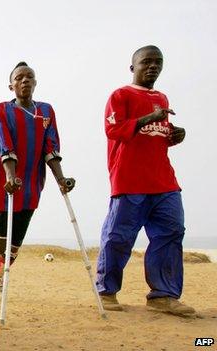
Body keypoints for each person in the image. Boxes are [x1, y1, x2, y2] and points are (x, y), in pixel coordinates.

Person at [95, 45, 193, 317]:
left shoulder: (161, 97)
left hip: (164, 181)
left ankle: (164, 295)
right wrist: (151, 117)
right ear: (133, 67)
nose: (152, 67)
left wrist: (175, 133)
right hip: (129, 180)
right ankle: (106, 290)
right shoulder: (120, 95)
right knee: (118, 237)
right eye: (146, 62)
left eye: (158, 62)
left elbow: (156, 133)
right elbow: (113, 129)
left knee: (171, 232)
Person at [0, 62, 75, 294]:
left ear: (35, 82)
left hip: (31, 185)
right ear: (11, 85)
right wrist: (11, 176)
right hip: (5, 184)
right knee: (1, 244)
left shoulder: (46, 111)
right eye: (19, 78)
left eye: (29, 77)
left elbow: (50, 146)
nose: (24, 80)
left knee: (15, 244)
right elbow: (4, 144)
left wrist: (61, 179)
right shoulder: (2, 110)